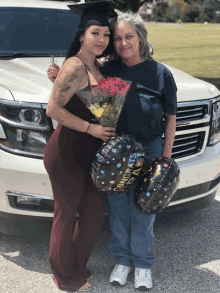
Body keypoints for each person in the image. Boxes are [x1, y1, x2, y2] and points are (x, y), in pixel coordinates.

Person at [47, 11, 177, 290]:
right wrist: (58, 79)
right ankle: (116, 261)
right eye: (114, 37)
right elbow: (84, 102)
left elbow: (169, 118)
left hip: (144, 147)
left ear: (140, 38)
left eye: (126, 36)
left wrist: (166, 156)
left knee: (136, 211)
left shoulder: (158, 73)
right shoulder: (108, 69)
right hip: (111, 150)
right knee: (113, 209)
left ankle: (141, 263)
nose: (119, 42)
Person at [43, 2, 117, 292]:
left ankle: (75, 264)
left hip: (91, 153)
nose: (101, 40)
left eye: (105, 35)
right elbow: (52, 109)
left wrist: (104, 128)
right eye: (95, 33)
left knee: (94, 212)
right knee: (67, 211)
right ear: (82, 34)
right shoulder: (75, 65)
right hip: (67, 151)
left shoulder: (94, 65)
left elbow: (92, 104)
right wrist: (93, 128)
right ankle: (65, 276)